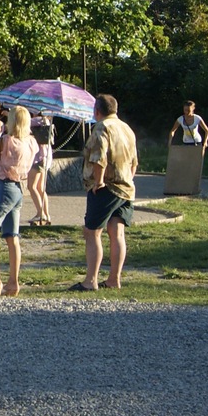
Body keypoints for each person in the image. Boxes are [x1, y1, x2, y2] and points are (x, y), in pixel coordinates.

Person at [77, 92, 139, 292]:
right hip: (125, 186)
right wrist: (128, 179)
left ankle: (90, 280)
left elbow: (99, 157)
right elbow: (134, 162)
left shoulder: (102, 127)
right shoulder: (127, 128)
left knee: (92, 232)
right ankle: (114, 279)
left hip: (107, 187)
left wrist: (98, 182)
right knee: (117, 232)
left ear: (97, 111)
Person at [0, 102, 37, 295]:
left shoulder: (5, 141)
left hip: (3, 186)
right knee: (12, 236)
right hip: (18, 188)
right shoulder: (31, 142)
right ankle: (13, 282)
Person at [27, 115, 53, 227]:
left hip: (37, 158)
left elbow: (22, 124)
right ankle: (46, 214)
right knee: (40, 188)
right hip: (46, 157)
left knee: (31, 186)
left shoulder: (34, 121)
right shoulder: (45, 121)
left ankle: (41, 213)